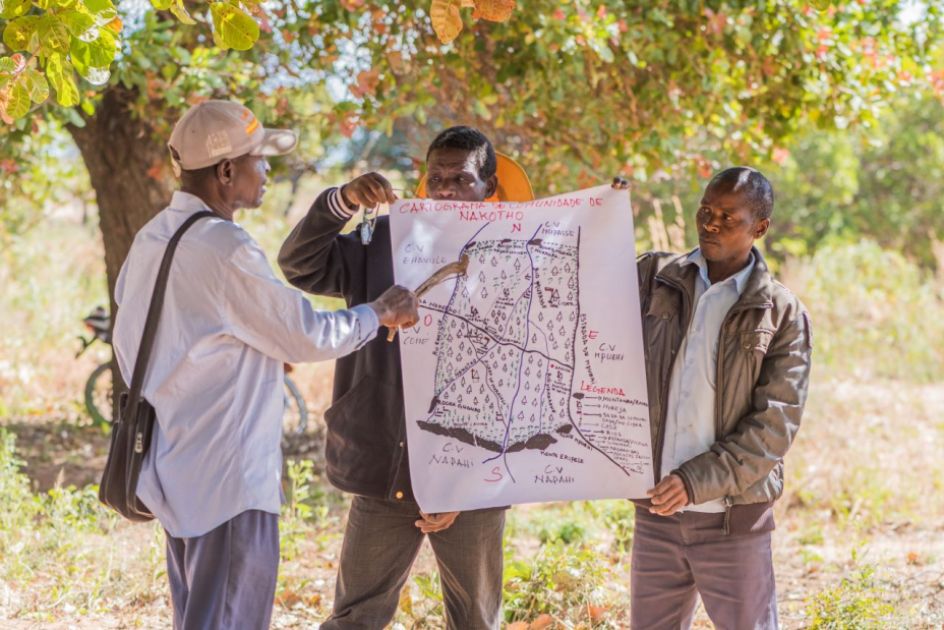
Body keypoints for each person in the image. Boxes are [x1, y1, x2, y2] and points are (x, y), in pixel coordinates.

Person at [112, 100, 419, 630]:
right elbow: (308, 335)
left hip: (176, 465)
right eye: (259, 159)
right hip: (229, 482)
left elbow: (129, 343)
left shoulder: (152, 239)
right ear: (226, 170)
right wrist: (380, 312)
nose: (268, 171)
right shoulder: (225, 247)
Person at [278, 126, 530, 629]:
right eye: (436, 179)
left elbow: (524, 379)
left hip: (472, 482)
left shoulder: (519, 257)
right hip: (384, 470)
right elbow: (299, 265)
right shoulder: (384, 242)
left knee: (476, 620)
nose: (445, 191)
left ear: (489, 186)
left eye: (460, 180)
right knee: (355, 617)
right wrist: (343, 201)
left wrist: (461, 480)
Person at [613, 167, 813, 629]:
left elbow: (773, 429)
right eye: (706, 210)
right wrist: (605, 211)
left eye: (728, 216)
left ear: (759, 228)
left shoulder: (780, 313)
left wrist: (693, 481)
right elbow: (587, 289)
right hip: (656, 517)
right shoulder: (654, 279)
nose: (711, 223)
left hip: (732, 523)